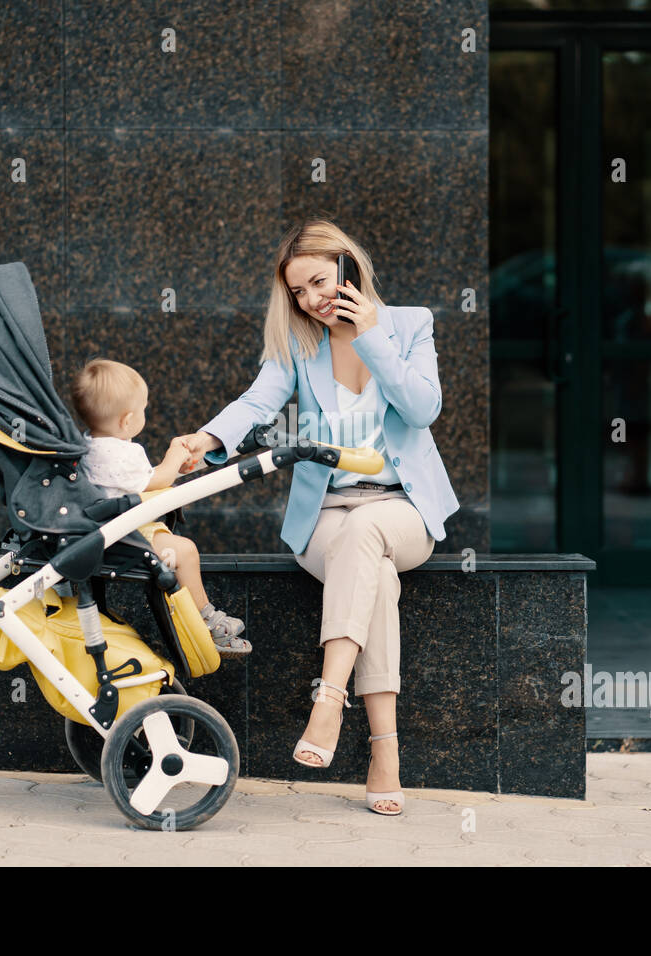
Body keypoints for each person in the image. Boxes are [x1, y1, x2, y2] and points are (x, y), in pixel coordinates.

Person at [177, 218, 459, 814]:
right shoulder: (300, 344)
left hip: (403, 512)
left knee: (371, 533)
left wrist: (369, 334)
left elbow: (422, 407)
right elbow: (257, 400)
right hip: (326, 519)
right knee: (372, 572)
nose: (311, 300)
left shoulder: (410, 325)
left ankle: (328, 701)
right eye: (298, 292)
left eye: (320, 282)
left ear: (350, 267)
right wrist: (206, 438)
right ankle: (385, 753)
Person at [70, 357, 251, 656]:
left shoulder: (89, 446)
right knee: (186, 551)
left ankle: (201, 616)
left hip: (109, 527)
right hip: (129, 533)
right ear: (127, 420)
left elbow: (138, 482)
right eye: (143, 409)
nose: (145, 414)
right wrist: (173, 456)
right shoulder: (123, 453)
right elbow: (160, 478)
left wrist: (174, 467)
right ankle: (205, 617)